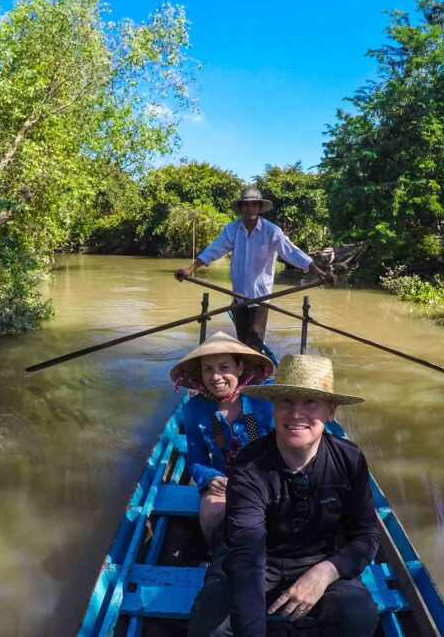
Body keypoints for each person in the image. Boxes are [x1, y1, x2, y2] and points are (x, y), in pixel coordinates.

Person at [187, 354, 380, 637]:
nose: (296, 414)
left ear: (331, 411)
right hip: (255, 562)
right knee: (208, 627)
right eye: (286, 401)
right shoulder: (249, 466)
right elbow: (247, 555)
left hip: (318, 557)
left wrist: (325, 572)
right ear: (274, 408)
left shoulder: (349, 459)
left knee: (359, 617)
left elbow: (366, 535)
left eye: (310, 402)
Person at [174, 187, 333, 352]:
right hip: (238, 296)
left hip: (260, 297)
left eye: (254, 205)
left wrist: (320, 273)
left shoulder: (271, 231)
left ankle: (255, 373)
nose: (250, 209)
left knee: (255, 338)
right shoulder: (232, 229)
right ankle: (246, 373)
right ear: (241, 207)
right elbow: (214, 250)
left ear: (259, 208)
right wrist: (190, 269)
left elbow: (292, 252)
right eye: (247, 205)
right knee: (242, 342)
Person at [172, 331, 276, 544]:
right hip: (223, 477)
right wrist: (211, 478)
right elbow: (197, 458)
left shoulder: (263, 401)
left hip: (263, 475)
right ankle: (214, 552)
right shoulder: (195, 409)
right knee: (211, 512)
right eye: (207, 369)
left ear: (240, 368)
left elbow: (280, 448)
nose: (216, 377)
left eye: (224, 367)